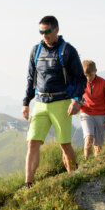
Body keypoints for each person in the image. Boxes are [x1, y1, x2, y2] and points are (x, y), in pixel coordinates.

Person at [22, 15, 87, 186]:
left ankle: (74, 178)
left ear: (57, 29)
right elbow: (31, 78)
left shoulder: (68, 50)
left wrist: (76, 100)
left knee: (64, 144)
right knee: (32, 143)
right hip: (40, 103)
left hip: (61, 102)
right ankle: (28, 183)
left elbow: (80, 78)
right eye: (41, 32)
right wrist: (25, 103)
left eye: (48, 31)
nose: (44, 35)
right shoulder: (36, 50)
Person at [79, 59, 105, 159]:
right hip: (86, 113)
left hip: (101, 114)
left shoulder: (104, 83)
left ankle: (96, 165)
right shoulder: (80, 83)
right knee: (88, 139)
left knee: (98, 146)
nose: (88, 78)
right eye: (85, 76)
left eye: (90, 75)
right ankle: (87, 166)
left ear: (95, 71)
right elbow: (75, 96)